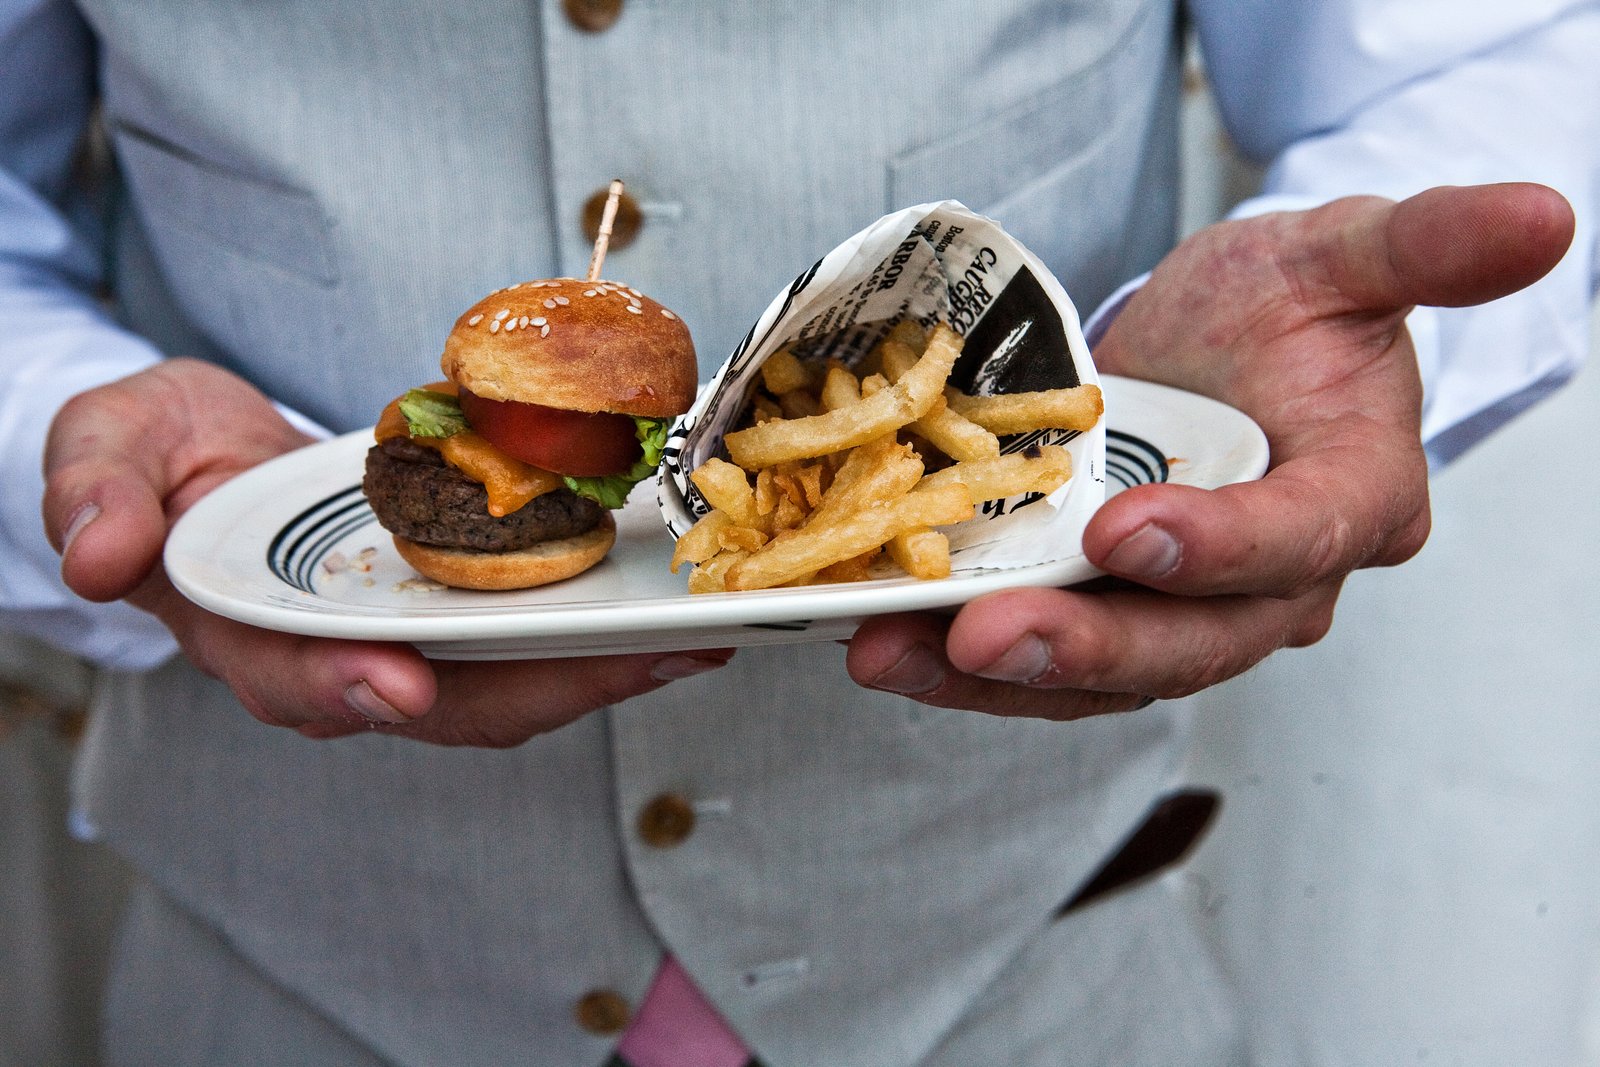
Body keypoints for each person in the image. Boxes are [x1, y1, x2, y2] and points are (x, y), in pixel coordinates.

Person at [2, 0, 1595, 1063]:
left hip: (1033, 962)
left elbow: (1474, 50)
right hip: (274, 976)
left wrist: (1331, 342)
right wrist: (64, 433)